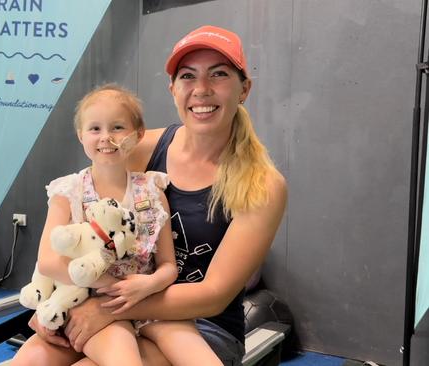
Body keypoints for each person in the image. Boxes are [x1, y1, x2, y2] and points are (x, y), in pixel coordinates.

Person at [25, 25, 288, 366]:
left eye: (219, 74)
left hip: (201, 324)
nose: (202, 90)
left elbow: (213, 296)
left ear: (243, 89)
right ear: (173, 89)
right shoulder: (139, 146)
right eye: (188, 76)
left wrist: (104, 309)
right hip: (110, 297)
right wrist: (53, 301)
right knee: (33, 359)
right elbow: (80, 222)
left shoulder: (263, 184)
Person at [11, 84, 223, 366]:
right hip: (89, 303)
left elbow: (168, 266)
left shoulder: (152, 191)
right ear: (81, 135)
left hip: (149, 305)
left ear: (137, 135)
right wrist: (109, 284)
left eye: (118, 127)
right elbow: (48, 263)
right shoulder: (68, 192)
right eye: (95, 129)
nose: (106, 137)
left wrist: (147, 285)